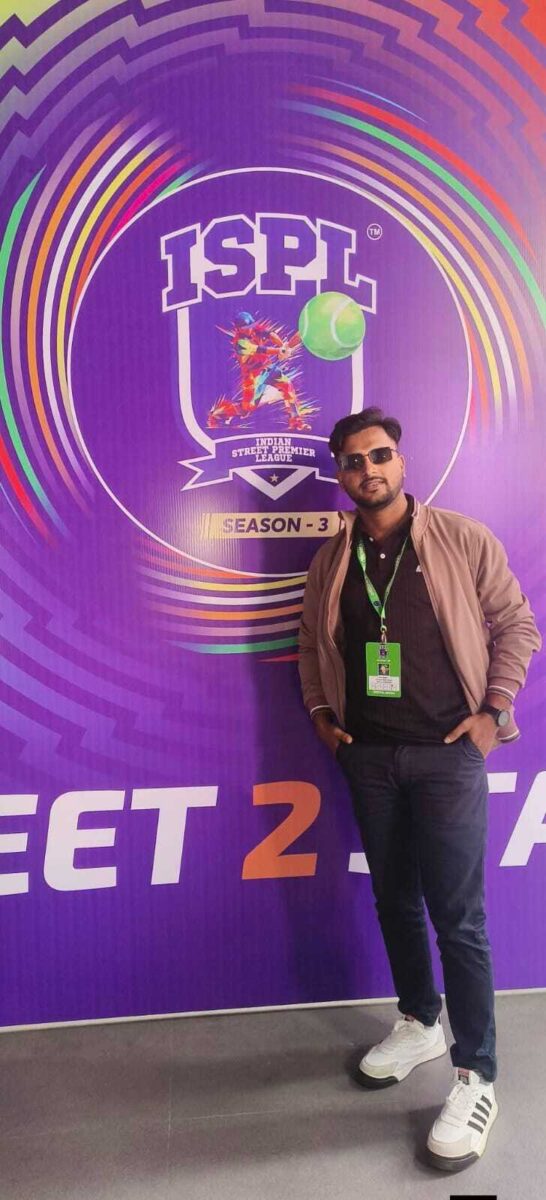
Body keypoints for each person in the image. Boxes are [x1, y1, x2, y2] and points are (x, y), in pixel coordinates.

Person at [298, 407, 541, 1173]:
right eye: (352, 461)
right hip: (368, 757)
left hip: (447, 757)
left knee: (458, 920)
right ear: (341, 475)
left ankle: (476, 1075)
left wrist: (492, 712)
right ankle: (418, 1021)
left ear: (401, 462)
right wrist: (323, 718)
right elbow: (309, 646)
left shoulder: (462, 539)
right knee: (394, 900)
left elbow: (518, 626)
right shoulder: (332, 558)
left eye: (379, 455)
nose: (367, 470)